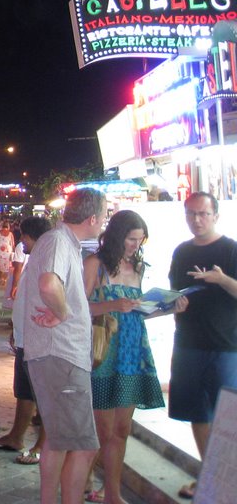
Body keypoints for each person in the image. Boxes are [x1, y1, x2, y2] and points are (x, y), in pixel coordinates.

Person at [16, 187, 106, 504]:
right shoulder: (58, 242)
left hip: (55, 355)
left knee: (58, 439)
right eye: (104, 215)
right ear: (93, 217)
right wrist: (64, 313)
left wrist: (63, 310)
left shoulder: (62, 242)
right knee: (84, 444)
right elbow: (48, 283)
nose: (104, 222)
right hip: (60, 355)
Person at [83, 210, 172, 504]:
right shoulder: (95, 265)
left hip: (132, 351)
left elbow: (139, 309)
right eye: (131, 239)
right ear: (117, 236)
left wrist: (171, 307)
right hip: (103, 351)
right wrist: (112, 304)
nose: (135, 245)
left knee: (122, 428)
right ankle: (82, 484)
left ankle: (112, 492)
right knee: (101, 429)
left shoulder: (138, 266)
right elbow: (77, 309)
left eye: (139, 240)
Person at [168, 191, 237, 500]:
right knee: (198, 412)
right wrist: (175, 305)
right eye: (191, 214)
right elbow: (172, 296)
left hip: (227, 346)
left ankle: (226, 478)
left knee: (228, 415)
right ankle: (208, 475)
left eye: (203, 214)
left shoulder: (231, 250)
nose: (196, 220)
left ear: (216, 216)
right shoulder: (182, 251)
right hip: (188, 344)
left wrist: (223, 280)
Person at [0, 216, 52, 463]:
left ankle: (43, 445)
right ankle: (16, 436)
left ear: (30, 236)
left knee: (43, 393)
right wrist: (17, 329)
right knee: (24, 390)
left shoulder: (47, 260)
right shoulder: (34, 258)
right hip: (26, 336)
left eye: (23, 237)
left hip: (40, 337)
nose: (21, 242)